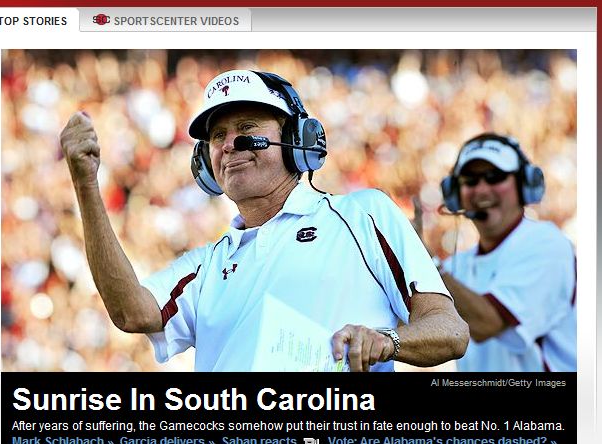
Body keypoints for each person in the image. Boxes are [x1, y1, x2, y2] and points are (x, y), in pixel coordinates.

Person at [60, 69, 469, 372]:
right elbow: (131, 313)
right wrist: (86, 185)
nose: (229, 144)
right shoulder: (205, 265)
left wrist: (388, 341)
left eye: (247, 127)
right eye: (217, 136)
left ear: (299, 139)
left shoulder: (363, 214)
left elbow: (450, 331)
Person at [438, 133, 576, 372]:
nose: (481, 190)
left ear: (526, 185)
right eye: (470, 180)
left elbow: (487, 323)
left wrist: (428, 265)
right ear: (454, 193)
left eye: (495, 177)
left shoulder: (547, 244)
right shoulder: (454, 267)